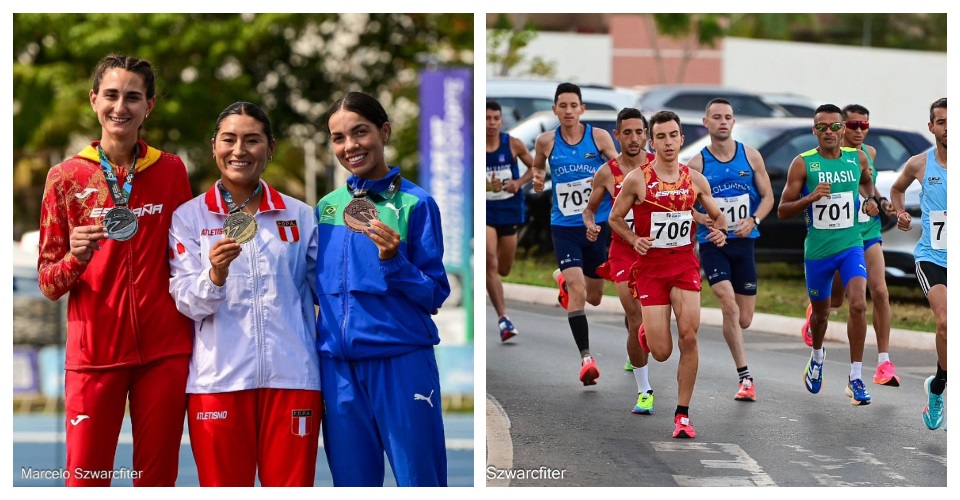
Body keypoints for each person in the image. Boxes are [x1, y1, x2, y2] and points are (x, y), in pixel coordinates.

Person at [37, 54, 193, 486]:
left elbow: (187, 258)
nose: (120, 106)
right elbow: (49, 282)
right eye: (111, 95)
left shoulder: (171, 170)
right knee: (86, 481)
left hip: (164, 352)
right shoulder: (64, 177)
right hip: (94, 355)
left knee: (156, 481)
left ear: (150, 106)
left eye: (133, 97)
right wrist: (76, 259)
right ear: (93, 100)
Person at [168, 102, 322, 486]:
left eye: (252, 140)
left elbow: (328, 291)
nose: (239, 150)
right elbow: (187, 300)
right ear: (213, 146)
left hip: (292, 380)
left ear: (270, 148)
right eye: (229, 140)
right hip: (218, 383)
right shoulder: (189, 217)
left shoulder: (301, 215)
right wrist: (215, 275)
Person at [315, 91, 451, 486]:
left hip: (401, 361)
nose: (350, 145)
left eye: (360, 132)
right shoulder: (326, 207)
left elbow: (434, 293)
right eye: (339, 137)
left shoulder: (416, 203)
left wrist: (394, 260)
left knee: (419, 483)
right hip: (338, 369)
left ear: (384, 131)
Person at [609, 110, 728, 439]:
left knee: (689, 335)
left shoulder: (695, 179)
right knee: (661, 352)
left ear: (681, 139)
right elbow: (615, 218)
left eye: (672, 135)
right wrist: (634, 239)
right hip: (651, 269)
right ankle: (648, 333)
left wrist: (718, 232)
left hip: (685, 265)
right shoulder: (638, 179)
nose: (667, 142)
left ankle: (682, 414)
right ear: (651, 140)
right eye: (660, 136)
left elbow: (718, 216)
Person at [777, 104, 880, 406]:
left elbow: (866, 182)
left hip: (851, 245)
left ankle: (856, 376)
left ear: (843, 129)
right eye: (822, 127)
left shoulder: (857, 158)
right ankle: (817, 356)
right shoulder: (803, 163)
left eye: (835, 126)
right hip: (818, 252)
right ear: (814, 130)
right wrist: (810, 197)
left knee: (859, 304)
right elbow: (782, 210)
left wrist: (871, 199)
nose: (829, 132)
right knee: (821, 315)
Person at [798, 104, 901, 386]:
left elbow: (867, 186)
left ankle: (882, 362)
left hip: (864, 232)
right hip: (836, 235)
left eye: (864, 126)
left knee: (877, 291)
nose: (858, 131)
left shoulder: (867, 155)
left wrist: (879, 203)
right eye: (853, 125)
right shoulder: (826, 158)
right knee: (834, 301)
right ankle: (815, 313)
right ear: (842, 127)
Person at [531, 82, 619, 386]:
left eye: (573, 105)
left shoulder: (599, 137)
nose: (568, 111)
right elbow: (537, 167)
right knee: (579, 290)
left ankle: (563, 281)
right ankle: (586, 359)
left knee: (594, 297)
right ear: (555, 109)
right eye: (562, 106)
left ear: (582, 109)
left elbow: (618, 168)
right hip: (564, 226)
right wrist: (538, 180)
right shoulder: (545, 141)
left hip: (598, 223)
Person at [687, 98, 773, 402]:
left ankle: (736, 341)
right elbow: (683, 207)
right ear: (706, 122)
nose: (723, 121)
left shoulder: (751, 157)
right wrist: (708, 223)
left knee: (744, 318)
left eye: (728, 117)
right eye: (717, 117)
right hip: (713, 245)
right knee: (728, 305)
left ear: (733, 122)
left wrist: (754, 219)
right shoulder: (696, 165)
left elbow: (768, 197)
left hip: (744, 243)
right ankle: (745, 377)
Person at [583, 107, 656, 413]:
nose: (634, 138)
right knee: (636, 315)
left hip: (658, 249)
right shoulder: (607, 172)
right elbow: (590, 208)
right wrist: (590, 223)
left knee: (651, 324)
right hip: (623, 248)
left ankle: (636, 345)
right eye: (627, 132)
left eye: (640, 132)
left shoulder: (660, 164)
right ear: (617, 135)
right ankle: (644, 390)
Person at [890, 97, 947, 430]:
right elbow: (897, 190)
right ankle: (941, 392)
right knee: (945, 323)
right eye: (941, 122)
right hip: (933, 257)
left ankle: (937, 384)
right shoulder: (919, 164)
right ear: (931, 127)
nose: (947, 127)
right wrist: (900, 212)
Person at [486, 99, 535, 342]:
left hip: (510, 211)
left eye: (495, 118)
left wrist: (518, 183)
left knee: (503, 268)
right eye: (487, 118)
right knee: (489, 262)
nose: (492, 123)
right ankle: (503, 319)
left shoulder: (512, 144)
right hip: (485, 212)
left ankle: (495, 291)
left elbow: (536, 168)